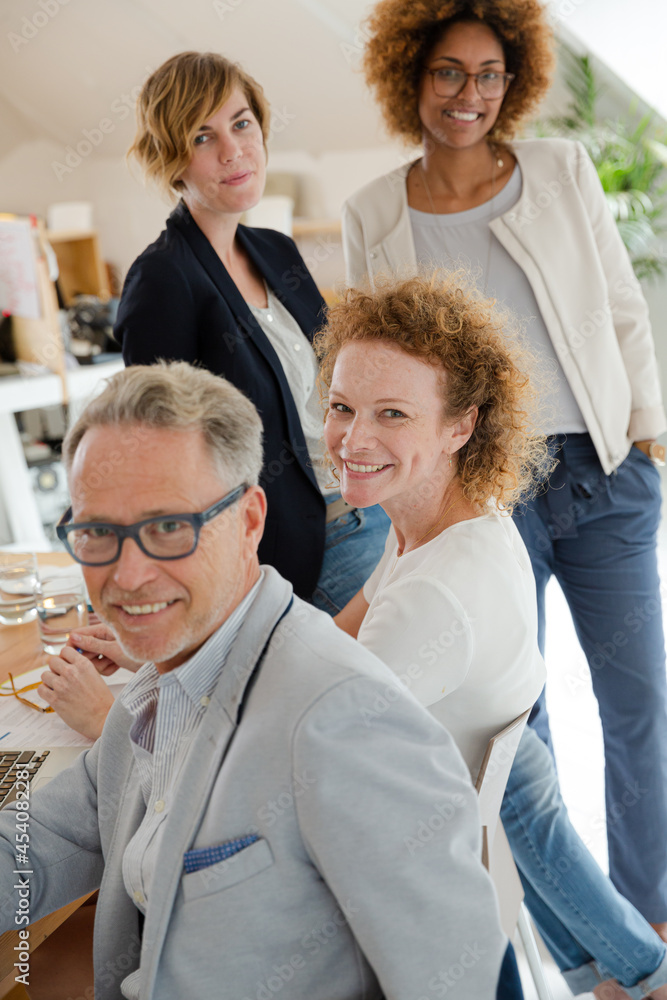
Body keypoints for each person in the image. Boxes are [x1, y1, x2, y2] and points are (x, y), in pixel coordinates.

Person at [0, 360, 506, 1000]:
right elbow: (37, 843)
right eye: (98, 532)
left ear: (248, 521)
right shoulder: (158, 691)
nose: (126, 576)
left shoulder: (346, 720)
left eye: (167, 528)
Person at [342, 0, 667, 945]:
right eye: (448, 71)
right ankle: (579, 942)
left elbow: (619, 307)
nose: (468, 95)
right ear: (411, 75)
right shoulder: (375, 211)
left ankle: (646, 927)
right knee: (517, 727)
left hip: (600, 476)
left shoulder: (559, 171)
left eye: (488, 74)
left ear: (512, 79)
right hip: (485, 492)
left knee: (637, 706)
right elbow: (371, 359)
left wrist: (645, 434)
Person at [315, 273, 667, 1000]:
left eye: (391, 414)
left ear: (460, 425)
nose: (353, 438)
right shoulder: (448, 519)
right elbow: (342, 631)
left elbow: (312, 746)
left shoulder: (434, 594)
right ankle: (635, 977)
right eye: (341, 407)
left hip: (420, 869)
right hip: (486, 782)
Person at [114, 50, 388, 610]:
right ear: (173, 158)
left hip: (371, 506)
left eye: (241, 124)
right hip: (300, 551)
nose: (234, 150)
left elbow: (337, 382)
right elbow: (163, 453)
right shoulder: (164, 277)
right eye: (201, 136)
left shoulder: (274, 250)